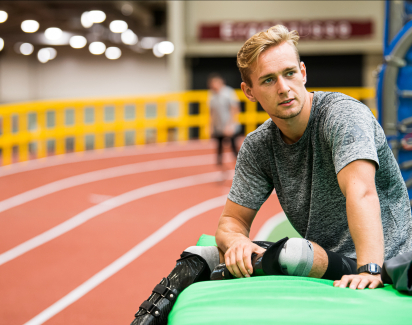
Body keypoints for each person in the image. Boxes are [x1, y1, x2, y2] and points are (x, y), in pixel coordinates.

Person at [131, 25, 412, 325]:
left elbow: (362, 192)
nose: (283, 87)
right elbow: (231, 222)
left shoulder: (342, 115)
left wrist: (369, 268)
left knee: (290, 254)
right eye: (268, 80)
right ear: (249, 92)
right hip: (327, 260)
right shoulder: (258, 146)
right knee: (200, 254)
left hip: (389, 259)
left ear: (303, 72)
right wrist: (237, 243)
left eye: (289, 73)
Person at [207, 73, 240, 166]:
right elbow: (211, 112)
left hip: (230, 125)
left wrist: (230, 125)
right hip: (219, 126)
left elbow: (235, 109)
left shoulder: (228, 92)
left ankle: (239, 165)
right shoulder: (211, 95)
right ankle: (220, 167)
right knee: (219, 146)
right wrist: (211, 126)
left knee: (233, 146)